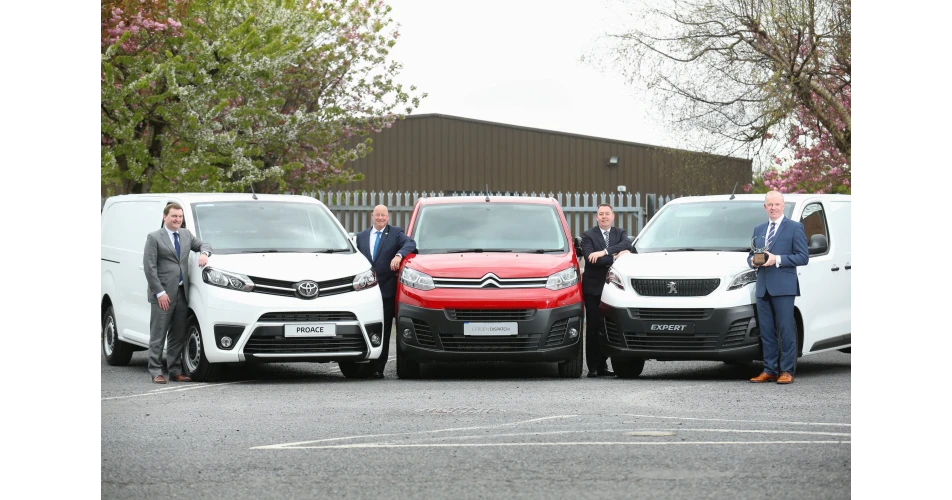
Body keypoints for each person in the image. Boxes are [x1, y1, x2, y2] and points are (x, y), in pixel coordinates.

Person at [143, 203, 211, 384]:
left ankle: (174, 371)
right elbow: (149, 268)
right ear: (165, 217)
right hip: (162, 295)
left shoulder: (186, 234)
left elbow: (204, 244)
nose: (177, 220)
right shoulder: (154, 237)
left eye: (180, 217)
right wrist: (159, 292)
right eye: (174, 216)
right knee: (158, 335)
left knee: (177, 335)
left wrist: (204, 253)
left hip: (182, 293)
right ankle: (156, 372)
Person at [747, 191, 809, 384]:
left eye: (776, 204)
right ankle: (770, 369)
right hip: (763, 287)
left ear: (783, 206)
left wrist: (777, 259)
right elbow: (751, 255)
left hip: (783, 287)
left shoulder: (795, 228)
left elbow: (802, 257)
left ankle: (787, 371)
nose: (773, 207)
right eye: (769, 204)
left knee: (786, 330)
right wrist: (753, 262)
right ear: (765, 207)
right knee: (766, 331)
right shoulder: (758, 229)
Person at [356, 205, 417, 379]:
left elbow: (410, 243)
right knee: (366, 326)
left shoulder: (396, 233)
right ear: (372, 216)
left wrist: (398, 256)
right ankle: (364, 364)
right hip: (365, 292)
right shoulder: (361, 237)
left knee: (384, 329)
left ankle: (378, 369)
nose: (381, 217)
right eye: (378, 215)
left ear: (388, 217)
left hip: (386, 292)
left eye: (384, 215)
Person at [580, 204, 630, 378]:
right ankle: (594, 367)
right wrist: (615, 256)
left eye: (607, 214)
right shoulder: (588, 236)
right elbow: (591, 259)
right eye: (601, 214)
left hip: (614, 289)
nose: (604, 217)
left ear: (613, 216)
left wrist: (604, 252)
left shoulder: (620, 233)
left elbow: (628, 245)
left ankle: (604, 365)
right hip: (594, 290)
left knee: (609, 327)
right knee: (593, 327)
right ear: (596, 217)